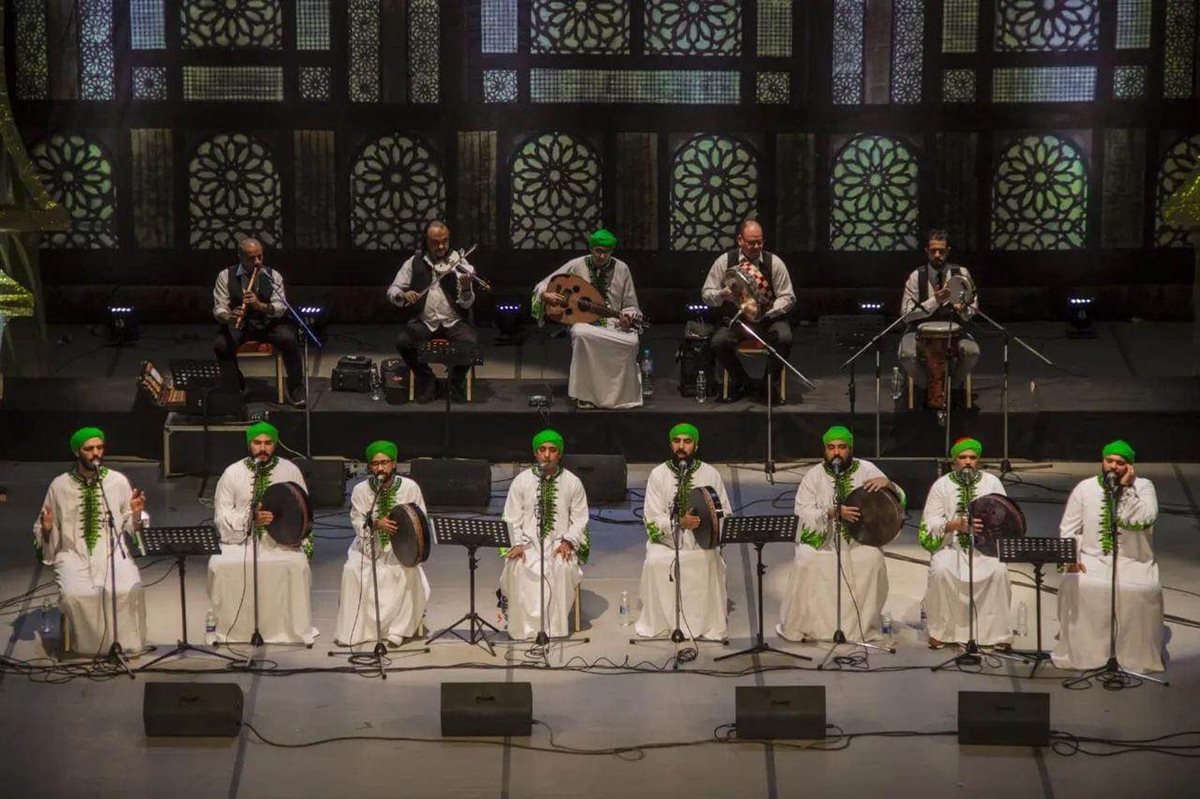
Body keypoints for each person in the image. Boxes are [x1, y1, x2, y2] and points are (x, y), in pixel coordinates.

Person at [777, 426, 902, 643]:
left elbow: (895, 502)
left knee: (872, 560)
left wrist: (889, 484)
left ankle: (860, 627)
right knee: (805, 560)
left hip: (859, 541)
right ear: (824, 450)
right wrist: (831, 512)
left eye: (842, 447)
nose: (837, 452)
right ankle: (811, 627)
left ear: (850, 449)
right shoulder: (813, 476)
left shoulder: (867, 469)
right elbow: (802, 513)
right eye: (831, 447)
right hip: (824, 542)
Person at [34, 427, 148, 656]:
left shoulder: (117, 481)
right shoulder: (59, 485)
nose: (95, 453)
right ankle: (88, 647)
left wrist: (136, 514)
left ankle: (123, 644)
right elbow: (44, 526)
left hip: (112, 552)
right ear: (77, 452)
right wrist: (47, 529)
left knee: (129, 589)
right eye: (89, 449)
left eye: (99, 447)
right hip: (72, 553)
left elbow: (130, 523)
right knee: (75, 596)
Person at [1052, 440, 1164, 673]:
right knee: (1077, 584)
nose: (1113, 466)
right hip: (1092, 559)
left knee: (1141, 591)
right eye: (1109, 461)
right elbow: (1068, 528)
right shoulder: (1085, 488)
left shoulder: (1144, 486)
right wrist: (1070, 559)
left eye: (1120, 463)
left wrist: (1127, 490)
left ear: (1130, 466)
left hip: (1133, 561)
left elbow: (1142, 520)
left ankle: (1133, 657)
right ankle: (1088, 655)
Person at [207, 422, 318, 645]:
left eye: (268, 443)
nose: (263, 448)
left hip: (282, 541)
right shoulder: (233, 473)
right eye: (257, 443)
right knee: (220, 566)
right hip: (241, 540)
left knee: (296, 566)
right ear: (249, 444)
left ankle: (287, 631)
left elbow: (303, 510)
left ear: (275, 444)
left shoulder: (289, 470)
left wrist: (291, 534)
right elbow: (222, 514)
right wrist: (250, 519)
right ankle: (233, 630)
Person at [635, 423, 731, 641]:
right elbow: (651, 517)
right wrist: (679, 523)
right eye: (677, 441)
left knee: (710, 560)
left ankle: (705, 624)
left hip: (701, 543)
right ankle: (663, 623)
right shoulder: (658, 475)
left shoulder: (711, 474)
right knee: (655, 562)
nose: (681, 446)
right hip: (667, 543)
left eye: (687, 442)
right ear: (670, 444)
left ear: (696, 446)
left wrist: (704, 525)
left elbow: (724, 512)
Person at [918, 437, 1013, 650]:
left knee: (999, 572)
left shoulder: (992, 483)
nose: (968, 462)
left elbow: (1005, 516)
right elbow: (929, 522)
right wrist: (955, 525)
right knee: (941, 570)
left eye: (972, 457)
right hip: (952, 546)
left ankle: (996, 634)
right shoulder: (942, 485)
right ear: (954, 461)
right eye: (963, 457)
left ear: (978, 460)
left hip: (985, 548)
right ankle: (941, 631)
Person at [533, 228, 644, 409]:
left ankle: (620, 396)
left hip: (614, 324)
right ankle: (585, 395)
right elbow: (543, 284)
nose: (602, 256)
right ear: (591, 249)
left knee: (631, 342)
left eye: (606, 252)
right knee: (580, 332)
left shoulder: (622, 268)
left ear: (612, 251)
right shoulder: (577, 264)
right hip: (585, 322)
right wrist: (546, 294)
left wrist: (629, 317)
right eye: (598, 251)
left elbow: (631, 305)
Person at [334, 440, 430, 646]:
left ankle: (399, 630)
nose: (380, 468)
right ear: (370, 466)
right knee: (352, 570)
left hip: (402, 547)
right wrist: (376, 524)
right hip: (368, 545)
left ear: (394, 464)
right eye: (375, 464)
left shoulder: (410, 487)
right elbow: (357, 519)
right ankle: (356, 631)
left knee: (408, 572)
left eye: (385, 462)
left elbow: (420, 520)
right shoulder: (361, 490)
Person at [499, 429, 589, 639]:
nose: (547, 455)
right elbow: (511, 518)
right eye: (542, 449)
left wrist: (568, 542)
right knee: (517, 565)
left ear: (560, 453)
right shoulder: (521, 481)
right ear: (535, 452)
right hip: (527, 544)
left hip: (559, 544)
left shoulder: (572, 482)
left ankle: (555, 628)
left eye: (552, 450)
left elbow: (580, 519)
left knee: (562, 566)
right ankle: (522, 629)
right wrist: (517, 544)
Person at [702, 219, 797, 404]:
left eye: (759, 242)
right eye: (751, 242)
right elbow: (706, 294)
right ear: (740, 240)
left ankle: (768, 385)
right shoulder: (725, 261)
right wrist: (721, 294)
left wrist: (768, 312)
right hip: (737, 320)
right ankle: (742, 382)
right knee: (718, 342)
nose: (756, 246)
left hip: (768, 319)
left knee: (784, 338)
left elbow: (788, 296)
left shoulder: (774, 262)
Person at [387, 220, 479, 404]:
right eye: (436, 242)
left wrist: (466, 288)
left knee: (471, 343)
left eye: (445, 241)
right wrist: (403, 295)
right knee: (403, 343)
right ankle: (427, 379)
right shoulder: (414, 262)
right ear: (426, 241)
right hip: (425, 322)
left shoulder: (459, 262)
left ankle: (455, 381)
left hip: (453, 322)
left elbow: (467, 304)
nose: (441, 246)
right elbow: (392, 290)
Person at [212, 236, 306, 406]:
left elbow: (280, 307)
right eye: (251, 258)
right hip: (240, 325)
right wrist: (230, 317)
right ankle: (235, 386)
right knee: (221, 344)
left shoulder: (273, 275)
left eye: (260, 257)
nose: (257, 262)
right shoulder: (225, 275)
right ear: (240, 257)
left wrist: (259, 305)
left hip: (268, 323)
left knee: (289, 339)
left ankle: (295, 388)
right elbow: (219, 308)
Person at [898, 230, 980, 408]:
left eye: (941, 251)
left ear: (948, 251)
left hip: (954, 330)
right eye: (933, 251)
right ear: (926, 251)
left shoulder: (961, 273)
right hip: (919, 331)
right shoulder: (916, 276)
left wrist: (963, 310)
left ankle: (952, 386)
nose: (937, 255)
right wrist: (935, 301)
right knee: (906, 355)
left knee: (972, 352)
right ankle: (930, 387)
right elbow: (905, 315)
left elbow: (973, 308)